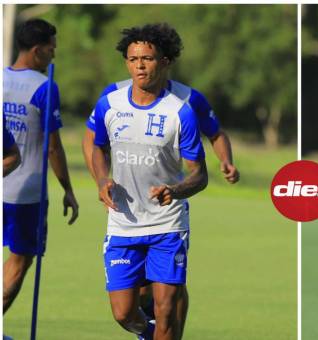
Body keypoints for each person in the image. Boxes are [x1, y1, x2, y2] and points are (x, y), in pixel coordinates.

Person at [81, 23, 240, 337]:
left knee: (166, 302)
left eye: (148, 58)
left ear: (165, 61)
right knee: (127, 310)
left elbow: (215, 136)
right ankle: (151, 331)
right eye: (133, 58)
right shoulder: (111, 100)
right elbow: (93, 143)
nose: (139, 65)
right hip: (124, 221)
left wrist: (225, 162)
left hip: (167, 221)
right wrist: (102, 182)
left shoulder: (186, 104)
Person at [3, 18, 79, 314]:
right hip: (27, 194)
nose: (54, 55)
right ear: (37, 50)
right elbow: (53, 147)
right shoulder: (45, 87)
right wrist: (68, 190)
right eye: (51, 49)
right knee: (20, 262)